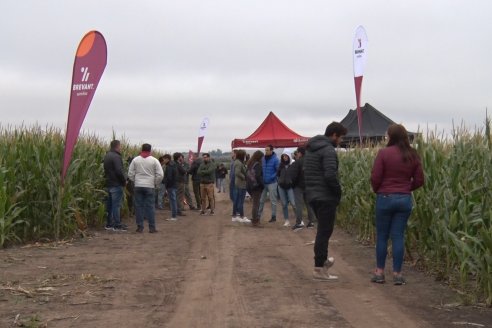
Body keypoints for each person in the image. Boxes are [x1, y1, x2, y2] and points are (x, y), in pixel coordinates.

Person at [370, 124, 424, 285]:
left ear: (391, 136)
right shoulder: (412, 154)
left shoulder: (384, 153)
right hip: (404, 199)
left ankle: (379, 273)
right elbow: (420, 180)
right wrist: (406, 188)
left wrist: (378, 190)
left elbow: (375, 177)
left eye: (387, 135)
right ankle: (398, 274)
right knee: (398, 236)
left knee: (382, 236)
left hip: (385, 197)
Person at [305, 122, 347, 281]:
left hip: (313, 196)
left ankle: (321, 264)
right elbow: (330, 175)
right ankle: (320, 268)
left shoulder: (311, 149)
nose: (341, 141)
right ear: (334, 135)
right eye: (341, 137)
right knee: (324, 232)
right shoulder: (328, 150)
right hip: (325, 196)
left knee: (322, 231)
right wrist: (337, 192)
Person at [128, 143, 164, 233]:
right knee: (150, 207)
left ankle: (140, 227)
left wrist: (135, 181)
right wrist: (155, 182)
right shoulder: (154, 160)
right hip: (149, 186)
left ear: (142, 149)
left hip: (138, 185)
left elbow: (130, 173)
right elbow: (160, 174)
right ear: (150, 150)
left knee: (139, 207)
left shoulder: (135, 160)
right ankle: (152, 228)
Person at [290, 146, 316, 231]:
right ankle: (311, 222)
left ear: (300, 153)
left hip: (298, 186)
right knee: (309, 204)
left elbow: (293, 176)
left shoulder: (298, 162)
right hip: (309, 185)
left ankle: (299, 223)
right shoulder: (311, 162)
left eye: (297, 152)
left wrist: (293, 184)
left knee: (299, 205)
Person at [103, 140, 127, 231]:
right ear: (117, 146)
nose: (121, 148)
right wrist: (124, 181)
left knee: (110, 205)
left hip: (109, 183)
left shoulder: (107, 155)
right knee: (116, 205)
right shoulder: (116, 157)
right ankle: (117, 225)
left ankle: (109, 224)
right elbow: (119, 171)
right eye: (120, 146)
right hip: (116, 184)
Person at [258, 145, 280, 222]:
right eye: (265, 150)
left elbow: (278, 171)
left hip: (272, 183)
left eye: (267, 150)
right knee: (261, 200)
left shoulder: (276, 160)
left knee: (273, 200)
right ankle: (258, 215)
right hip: (264, 183)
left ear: (271, 150)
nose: (266, 151)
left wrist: (272, 177)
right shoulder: (263, 159)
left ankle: (273, 217)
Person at [277, 151, 296, 227]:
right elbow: (278, 174)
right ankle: (286, 220)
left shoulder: (292, 165)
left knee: (293, 203)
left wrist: (292, 182)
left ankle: (299, 219)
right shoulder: (280, 166)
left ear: (289, 157)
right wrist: (279, 181)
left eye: (286, 156)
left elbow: (295, 175)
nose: (284, 158)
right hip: (281, 186)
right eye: (283, 156)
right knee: (284, 204)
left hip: (290, 186)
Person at [246, 150, 264, 227]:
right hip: (256, 186)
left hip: (250, 186)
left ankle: (254, 219)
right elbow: (258, 176)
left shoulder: (250, 163)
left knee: (255, 203)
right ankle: (255, 221)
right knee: (256, 204)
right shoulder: (258, 165)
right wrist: (262, 184)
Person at [232, 150, 251, 223]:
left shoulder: (238, 162)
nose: (245, 157)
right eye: (244, 155)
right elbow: (237, 172)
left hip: (238, 183)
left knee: (237, 200)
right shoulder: (238, 163)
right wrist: (245, 177)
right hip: (241, 184)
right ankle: (241, 216)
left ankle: (235, 216)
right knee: (240, 201)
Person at [162, 154, 179, 221]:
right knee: (173, 200)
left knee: (172, 201)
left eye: (164, 159)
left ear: (167, 159)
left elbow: (169, 177)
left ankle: (174, 216)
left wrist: (164, 182)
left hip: (171, 186)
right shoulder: (174, 165)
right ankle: (174, 215)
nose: (163, 161)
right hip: (174, 185)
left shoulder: (169, 167)